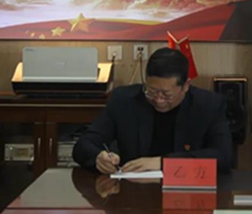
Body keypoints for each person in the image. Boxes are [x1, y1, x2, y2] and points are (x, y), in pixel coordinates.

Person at [73, 47, 233, 173]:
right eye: (151, 91)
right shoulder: (123, 100)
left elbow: (224, 156)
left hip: (188, 195)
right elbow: (84, 144)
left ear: (185, 86)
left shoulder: (208, 105)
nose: (158, 100)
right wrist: (98, 157)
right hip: (132, 193)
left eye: (167, 94)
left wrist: (164, 162)